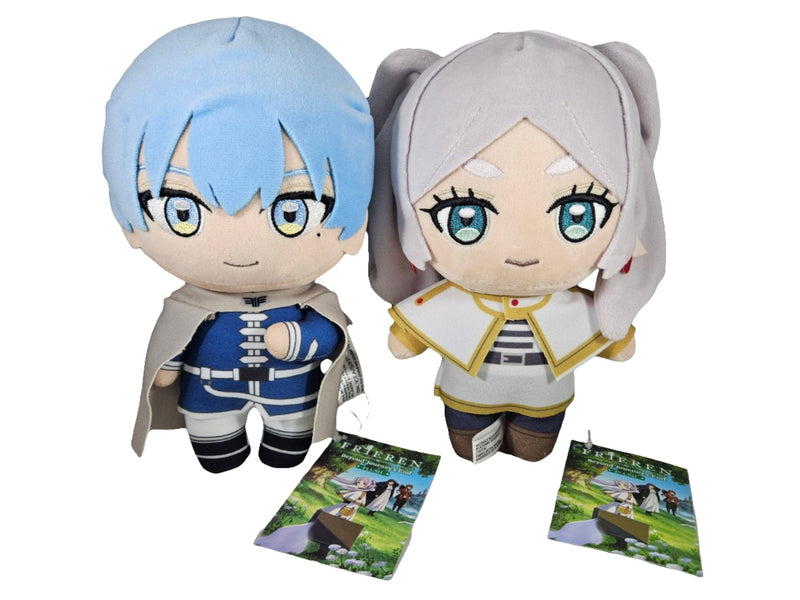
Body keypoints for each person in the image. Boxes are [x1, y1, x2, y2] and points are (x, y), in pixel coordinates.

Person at [367, 31, 664, 462]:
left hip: (545, 399)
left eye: (578, 213)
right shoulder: (451, 300)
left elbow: (609, 334)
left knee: (535, 448)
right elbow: (415, 328)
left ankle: (529, 439)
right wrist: (407, 336)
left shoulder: (569, 306)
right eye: (464, 215)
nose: (521, 247)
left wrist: (618, 336)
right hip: (468, 395)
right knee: (468, 444)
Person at [102, 18, 373, 472]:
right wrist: (168, 363)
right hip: (209, 395)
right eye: (182, 212)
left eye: (292, 211)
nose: (239, 248)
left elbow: (328, 336)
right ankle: (222, 450)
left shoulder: (311, 304)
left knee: (288, 453)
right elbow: (175, 339)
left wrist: (298, 339)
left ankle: (283, 448)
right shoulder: (188, 305)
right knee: (216, 456)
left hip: (292, 397)